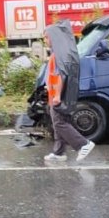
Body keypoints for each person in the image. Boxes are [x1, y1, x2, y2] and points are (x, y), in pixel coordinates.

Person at [42, 21, 96, 164]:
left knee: (59, 123)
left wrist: (58, 95)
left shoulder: (58, 55)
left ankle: (83, 144)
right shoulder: (60, 53)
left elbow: (61, 75)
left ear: (53, 38)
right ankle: (59, 152)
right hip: (55, 95)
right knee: (58, 122)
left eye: (46, 38)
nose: (45, 41)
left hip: (58, 96)